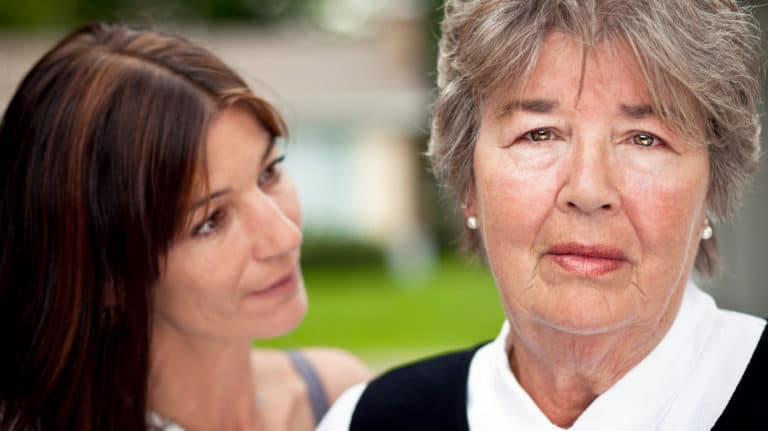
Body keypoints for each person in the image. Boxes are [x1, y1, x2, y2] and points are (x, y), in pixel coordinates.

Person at [318, 0, 766, 430]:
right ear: (468, 183)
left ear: (712, 189)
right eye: (539, 134)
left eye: (644, 138)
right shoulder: (366, 422)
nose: (588, 191)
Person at [0, 22, 370, 431]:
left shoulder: (341, 396)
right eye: (210, 221)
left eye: (269, 173)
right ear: (108, 277)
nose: (286, 236)